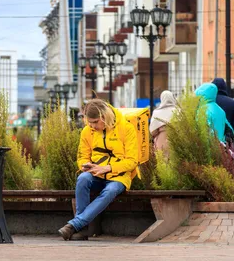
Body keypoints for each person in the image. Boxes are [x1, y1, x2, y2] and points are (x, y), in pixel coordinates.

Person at [58, 99, 139, 241]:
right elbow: (82, 157)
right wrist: (86, 165)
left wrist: (108, 168)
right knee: (82, 179)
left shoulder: (127, 129)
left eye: (95, 122)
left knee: (111, 190)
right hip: (96, 173)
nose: (91, 125)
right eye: (89, 122)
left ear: (104, 117)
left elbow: (132, 162)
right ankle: (81, 229)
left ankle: (76, 225)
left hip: (119, 176)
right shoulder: (87, 131)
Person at [149, 90, 178, 157]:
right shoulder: (178, 110)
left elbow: (152, 131)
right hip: (176, 140)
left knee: (162, 163)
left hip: (161, 141)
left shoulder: (157, 112)